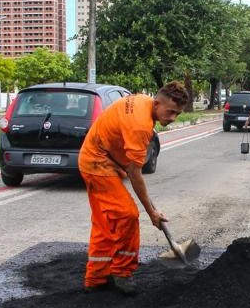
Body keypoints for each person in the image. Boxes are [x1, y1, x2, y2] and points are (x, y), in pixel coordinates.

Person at [78, 81, 189, 295]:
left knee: (106, 222)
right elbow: (135, 172)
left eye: (178, 114)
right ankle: (122, 272)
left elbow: (130, 166)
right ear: (157, 103)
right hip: (97, 163)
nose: (173, 118)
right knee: (127, 215)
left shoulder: (143, 103)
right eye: (170, 112)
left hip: (100, 158)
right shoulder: (140, 125)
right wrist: (152, 212)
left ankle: (96, 277)